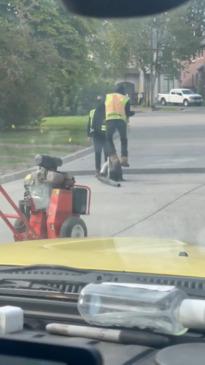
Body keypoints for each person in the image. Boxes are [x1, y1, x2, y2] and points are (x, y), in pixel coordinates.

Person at [105, 85, 133, 167]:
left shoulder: (107, 97)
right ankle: (124, 159)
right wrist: (130, 116)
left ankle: (114, 158)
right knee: (123, 139)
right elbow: (127, 112)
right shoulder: (125, 98)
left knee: (108, 139)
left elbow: (103, 108)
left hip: (109, 120)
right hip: (121, 121)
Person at [87, 98, 107, 176]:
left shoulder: (93, 112)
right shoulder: (106, 111)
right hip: (103, 135)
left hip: (97, 135)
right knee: (103, 153)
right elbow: (89, 124)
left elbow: (89, 124)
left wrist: (89, 135)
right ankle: (101, 170)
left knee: (100, 153)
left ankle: (101, 170)